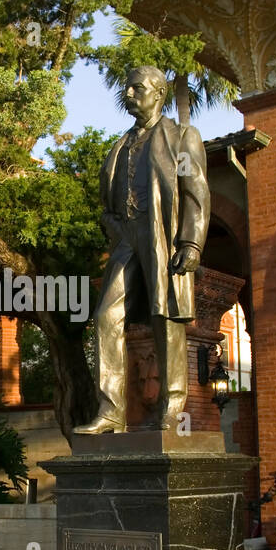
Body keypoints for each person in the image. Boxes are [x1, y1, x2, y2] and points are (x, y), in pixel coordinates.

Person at [74, 65, 209, 433]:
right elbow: (108, 200)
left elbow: (195, 193)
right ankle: (111, 412)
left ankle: (172, 407)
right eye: (128, 89)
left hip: (161, 236)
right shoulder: (119, 146)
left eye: (137, 89)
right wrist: (113, 227)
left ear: (159, 94)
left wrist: (191, 242)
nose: (129, 95)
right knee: (105, 316)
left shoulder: (181, 137)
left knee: (164, 318)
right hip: (127, 239)